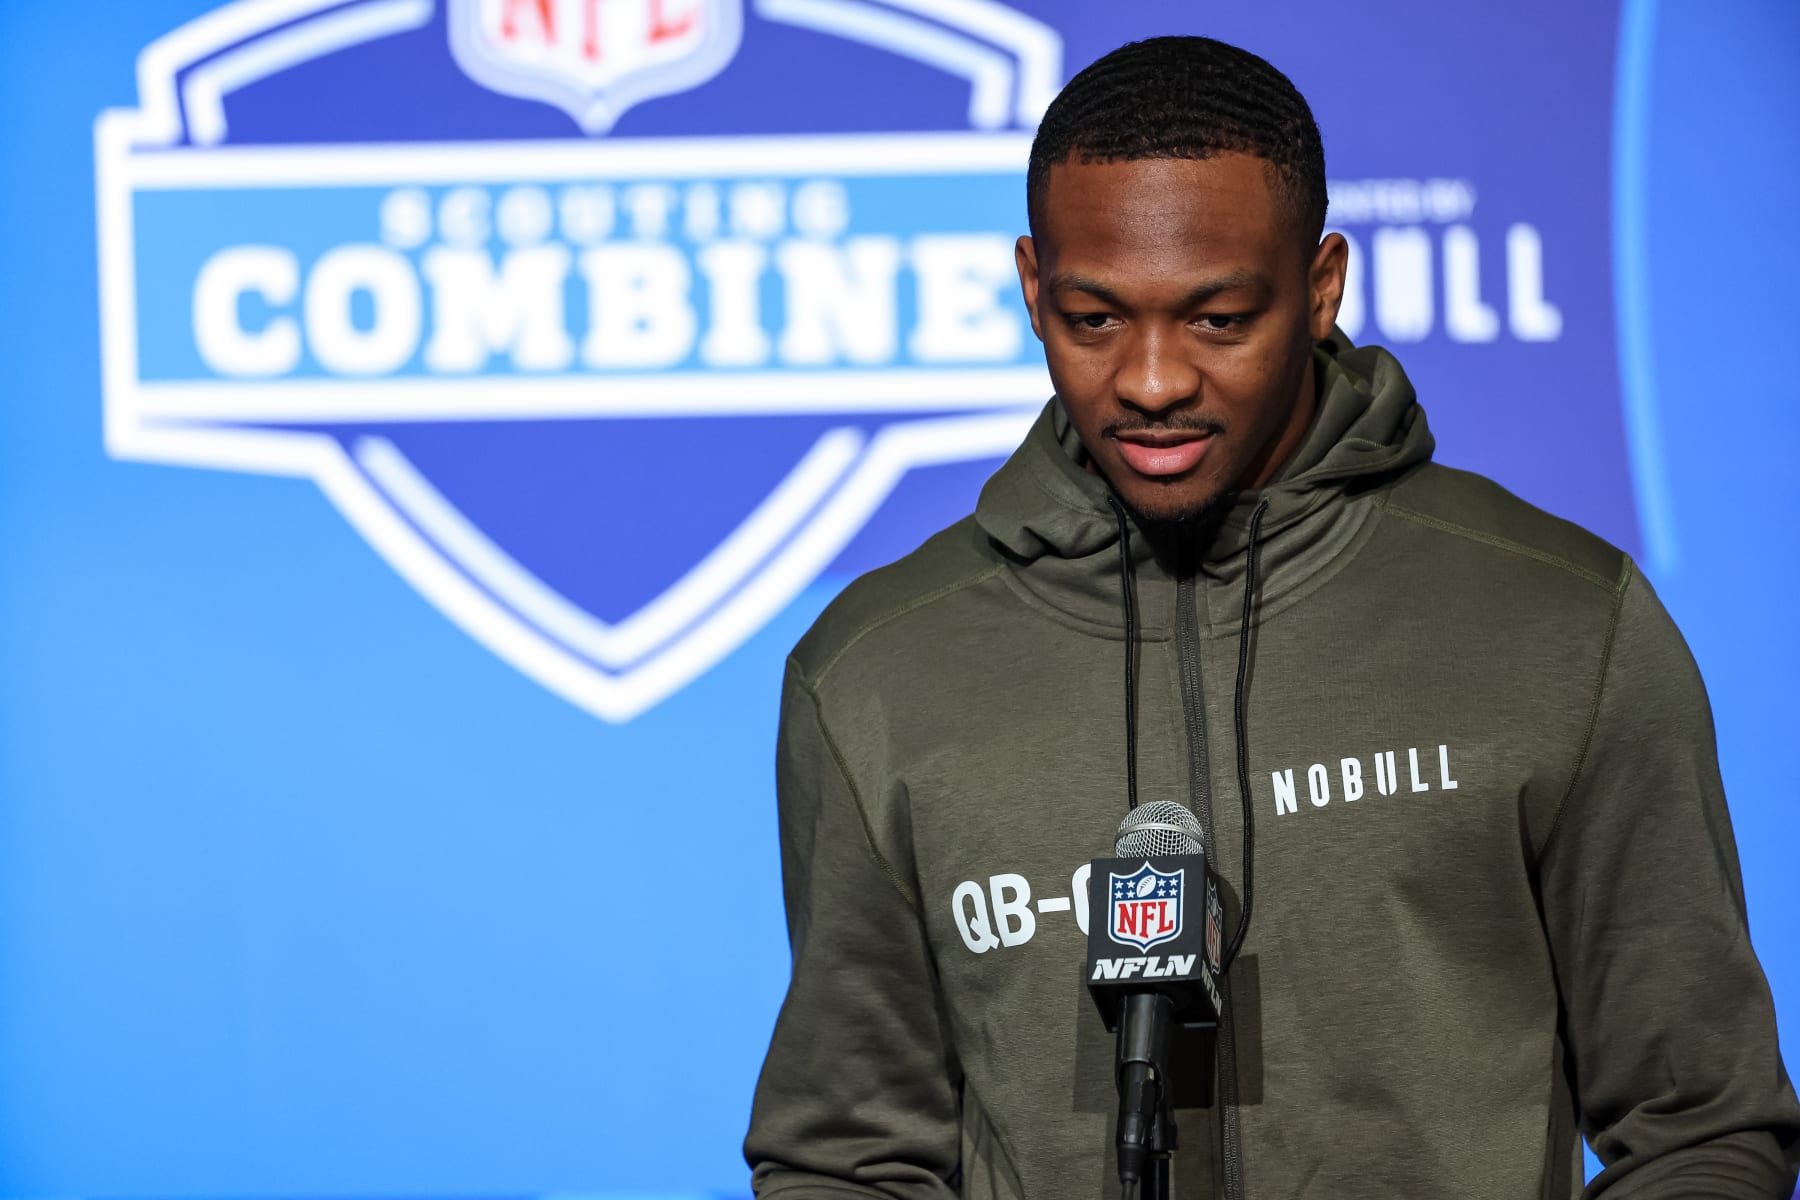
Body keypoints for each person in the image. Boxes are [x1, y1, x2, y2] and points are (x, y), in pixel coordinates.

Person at [742, 34, 1800, 1200]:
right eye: (1094, 320)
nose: (1152, 381)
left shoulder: (1562, 624)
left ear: (1321, 287)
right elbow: (849, 1159)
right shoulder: (879, 672)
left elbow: (1702, 1127)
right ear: (1033, 288)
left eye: (1217, 318)